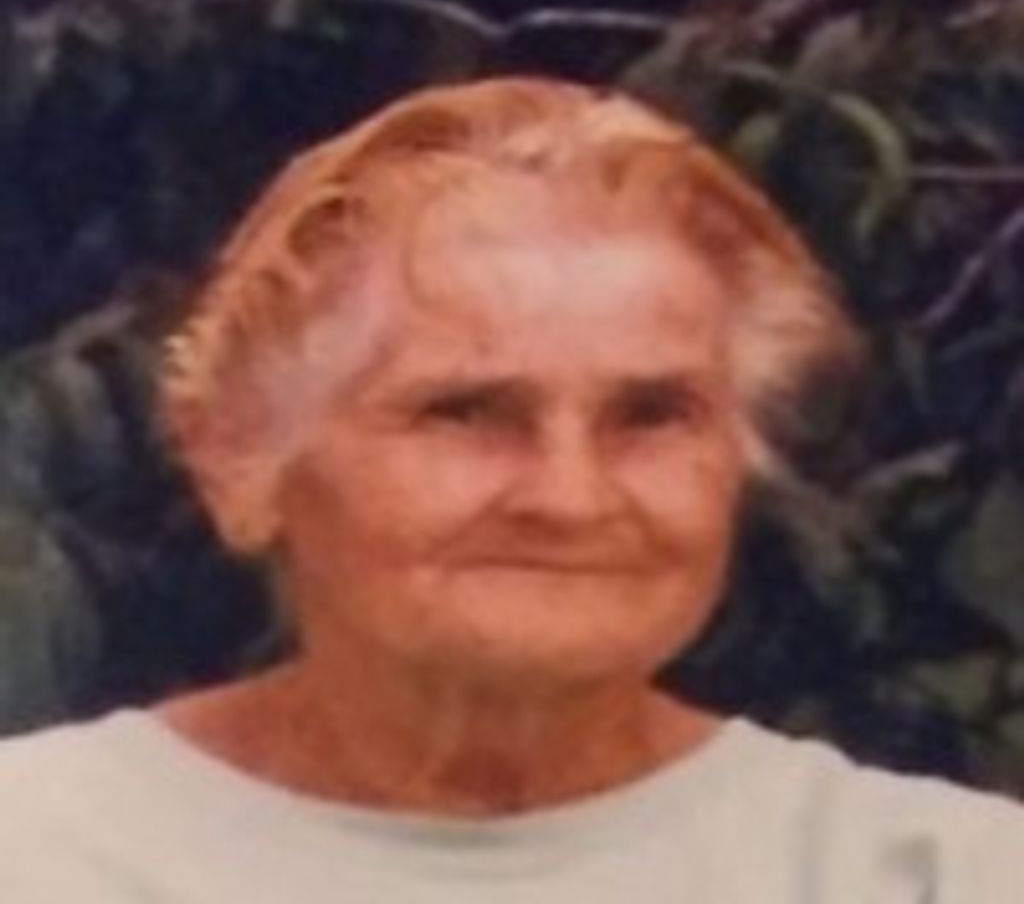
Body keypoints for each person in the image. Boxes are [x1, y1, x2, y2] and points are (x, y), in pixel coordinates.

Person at [0, 76, 1020, 902]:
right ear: (236, 459)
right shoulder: (39, 856)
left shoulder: (937, 878)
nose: (569, 498)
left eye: (651, 416)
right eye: (466, 412)